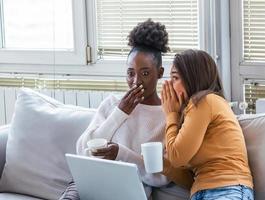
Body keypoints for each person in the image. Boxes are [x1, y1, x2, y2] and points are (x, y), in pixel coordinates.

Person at [60, 19, 192, 200]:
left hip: (129, 191)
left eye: (145, 73)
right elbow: (82, 149)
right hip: (91, 182)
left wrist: (121, 154)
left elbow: (161, 177)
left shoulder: (166, 115)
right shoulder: (113, 104)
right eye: (131, 73)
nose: (136, 81)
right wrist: (119, 113)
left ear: (159, 73)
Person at [161, 49, 254, 200]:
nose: (169, 86)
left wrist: (171, 114)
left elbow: (177, 157)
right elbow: (191, 178)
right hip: (202, 192)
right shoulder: (194, 112)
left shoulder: (204, 101)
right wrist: (163, 165)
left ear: (193, 78)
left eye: (175, 78)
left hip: (228, 189)